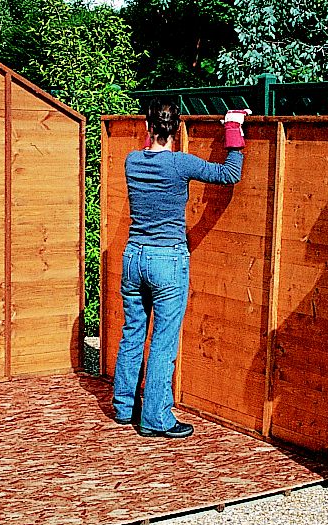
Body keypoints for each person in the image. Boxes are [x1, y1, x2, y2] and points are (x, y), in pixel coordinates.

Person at [112, 99, 248, 438]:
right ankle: (156, 420)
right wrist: (233, 128)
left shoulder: (132, 162)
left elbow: (150, 150)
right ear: (177, 129)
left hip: (134, 257)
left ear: (147, 127)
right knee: (163, 341)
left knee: (132, 333)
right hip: (167, 260)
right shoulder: (180, 164)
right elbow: (229, 174)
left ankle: (124, 407)